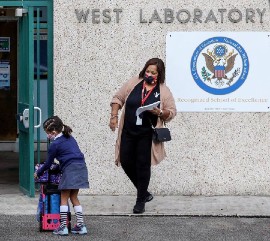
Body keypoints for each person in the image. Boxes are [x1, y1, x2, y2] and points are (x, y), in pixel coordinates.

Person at [109, 58, 176, 214]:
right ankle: (144, 192)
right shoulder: (134, 83)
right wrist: (114, 116)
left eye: (153, 72)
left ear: (159, 74)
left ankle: (140, 201)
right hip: (128, 131)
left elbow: (171, 112)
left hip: (146, 134)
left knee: (142, 165)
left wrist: (159, 112)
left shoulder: (163, 90)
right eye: (147, 71)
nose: (149, 74)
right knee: (125, 160)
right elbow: (118, 98)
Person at [34, 116, 89, 236]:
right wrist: (60, 167)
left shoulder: (55, 144)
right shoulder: (70, 138)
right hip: (81, 167)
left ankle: (63, 227)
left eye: (48, 133)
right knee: (74, 197)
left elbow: (48, 164)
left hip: (70, 170)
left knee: (63, 197)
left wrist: (38, 173)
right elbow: (71, 155)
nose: (48, 136)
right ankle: (81, 226)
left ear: (53, 132)